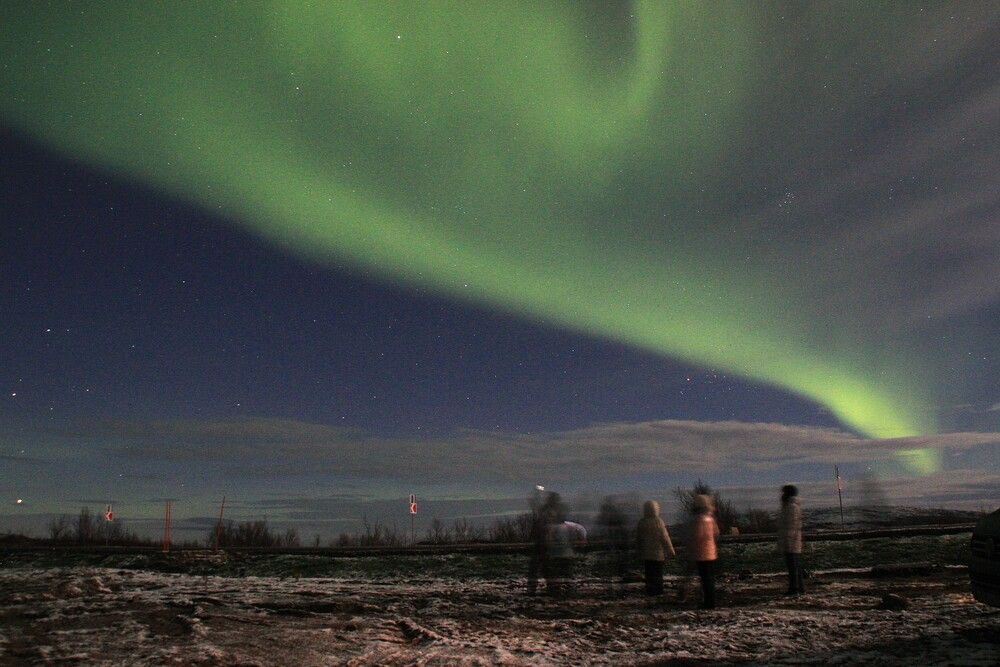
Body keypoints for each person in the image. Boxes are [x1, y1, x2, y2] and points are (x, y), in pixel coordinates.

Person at [636, 500, 676, 596]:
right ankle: (658, 590)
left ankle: (650, 590)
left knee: (649, 572)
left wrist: (639, 551)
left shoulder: (642, 522)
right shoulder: (659, 522)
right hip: (658, 553)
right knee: (658, 572)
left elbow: (639, 539)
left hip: (646, 553)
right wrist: (671, 551)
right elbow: (665, 537)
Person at [690, 493, 720, 609]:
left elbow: (696, 536)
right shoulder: (710, 519)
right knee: (710, 579)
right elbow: (716, 533)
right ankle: (711, 601)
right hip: (711, 553)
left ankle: (708, 603)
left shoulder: (698, 520)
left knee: (705, 579)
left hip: (701, 554)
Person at [778, 484, 805, 595]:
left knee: (793, 566)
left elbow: (790, 526)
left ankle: (795, 588)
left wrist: (787, 542)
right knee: (795, 565)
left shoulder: (790, 507)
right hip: (792, 540)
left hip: (791, 541)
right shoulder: (791, 506)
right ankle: (799, 588)